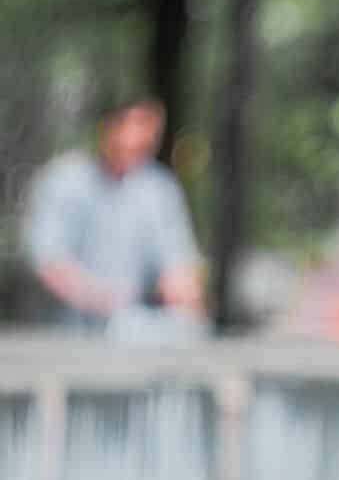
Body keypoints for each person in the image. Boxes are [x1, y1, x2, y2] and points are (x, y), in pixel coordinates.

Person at [23, 92, 207, 334]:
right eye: (135, 128)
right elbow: (48, 262)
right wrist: (102, 300)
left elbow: (178, 266)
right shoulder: (63, 181)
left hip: (129, 338)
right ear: (108, 128)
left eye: (150, 135)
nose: (142, 141)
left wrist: (186, 294)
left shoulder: (159, 190)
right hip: (64, 336)